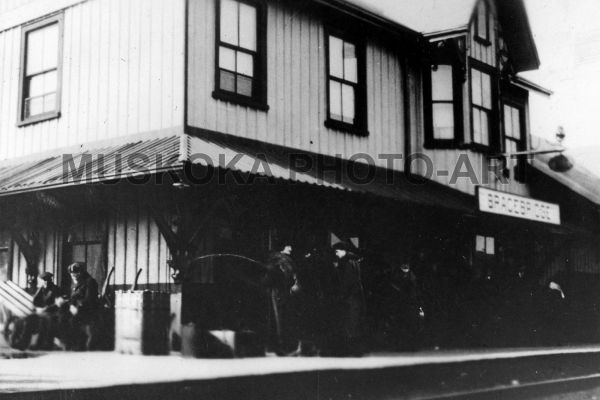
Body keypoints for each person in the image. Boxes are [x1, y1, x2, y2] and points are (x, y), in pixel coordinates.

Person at [325, 241, 365, 356]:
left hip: (349, 298)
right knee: (353, 323)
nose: (336, 254)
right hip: (354, 297)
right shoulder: (353, 261)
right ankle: (355, 350)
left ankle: (352, 351)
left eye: (337, 252)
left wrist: (341, 295)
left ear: (343, 251)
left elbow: (347, 282)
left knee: (350, 323)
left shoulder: (347, 263)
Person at [263, 244, 298, 354]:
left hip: (278, 291)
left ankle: (277, 345)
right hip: (282, 292)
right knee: (281, 318)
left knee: (278, 318)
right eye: (288, 246)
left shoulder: (279, 260)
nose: (291, 248)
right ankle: (281, 345)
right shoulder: (282, 261)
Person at [67, 262, 99, 350]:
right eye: (72, 274)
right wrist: (71, 306)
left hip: (88, 311)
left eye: (76, 273)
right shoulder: (76, 284)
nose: (74, 276)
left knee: (72, 320)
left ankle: (78, 345)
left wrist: (76, 307)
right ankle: (69, 345)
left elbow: (89, 299)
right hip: (77, 310)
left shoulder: (90, 282)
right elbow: (72, 298)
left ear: (81, 272)